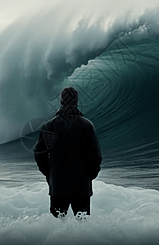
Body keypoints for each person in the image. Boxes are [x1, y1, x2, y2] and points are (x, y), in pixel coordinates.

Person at [34, 86, 102, 218]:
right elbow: (96, 157)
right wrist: (89, 177)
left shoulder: (49, 125)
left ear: (61, 101)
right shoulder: (87, 125)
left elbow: (39, 154)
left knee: (58, 227)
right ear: (76, 101)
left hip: (58, 187)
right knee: (83, 226)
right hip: (82, 187)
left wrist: (49, 174)